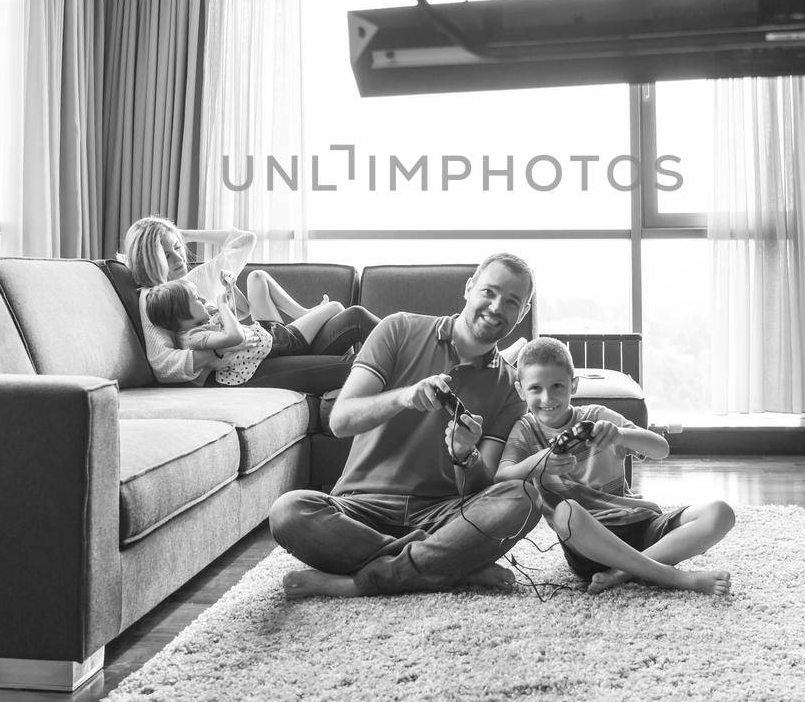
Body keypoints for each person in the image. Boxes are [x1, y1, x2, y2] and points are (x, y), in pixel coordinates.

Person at [269, 253, 544, 597]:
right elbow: (340, 420)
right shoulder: (398, 328)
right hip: (360, 506)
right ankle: (449, 563)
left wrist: (465, 455)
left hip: (443, 513)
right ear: (469, 288)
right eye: (489, 292)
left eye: (512, 301)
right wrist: (404, 397)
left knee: (523, 497)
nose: (496, 306)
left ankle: (363, 581)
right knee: (289, 512)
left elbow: (481, 485)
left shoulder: (510, 387)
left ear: (522, 313)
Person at [497, 336, 735, 595]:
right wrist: (540, 461)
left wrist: (621, 435)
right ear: (521, 391)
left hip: (642, 525)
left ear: (573, 386)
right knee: (565, 512)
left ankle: (623, 573)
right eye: (535, 389)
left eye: (557, 386)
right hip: (590, 544)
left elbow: (660, 449)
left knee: (720, 512)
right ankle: (674, 577)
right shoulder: (525, 430)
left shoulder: (597, 417)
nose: (547, 398)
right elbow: (502, 478)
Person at [120, 215, 379, 391]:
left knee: (354, 316)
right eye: (166, 254)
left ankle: (417, 345)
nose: (178, 258)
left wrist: (181, 233)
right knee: (354, 367)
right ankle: (414, 367)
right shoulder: (153, 297)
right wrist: (218, 349)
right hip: (234, 372)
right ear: (150, 259)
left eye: (178, 248)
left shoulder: (193, 279)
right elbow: (163, 365)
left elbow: (243, 240)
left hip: (257, 352)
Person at [144, 271, 362, 385]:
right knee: (337, 307)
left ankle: (306, 314)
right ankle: (313, 318)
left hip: (267, 332)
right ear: (182, 314)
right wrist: (220, 304)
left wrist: (230, 287)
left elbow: (242, 309)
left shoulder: (203, 320)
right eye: (197, 299)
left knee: (257, 276)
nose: (203, 298)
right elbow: (234, 334)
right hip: (277, 343)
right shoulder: (194, 337)